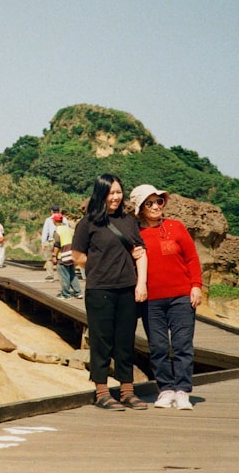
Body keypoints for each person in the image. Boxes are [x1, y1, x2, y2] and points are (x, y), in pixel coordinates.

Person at [71, 173, 148, 411]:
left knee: (125, 341)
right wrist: (100, 265)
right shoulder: (88, 223)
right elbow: (77, 256)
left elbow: (139, 250)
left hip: (126, 288)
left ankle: (127, 391)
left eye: (118, 192)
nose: (115, 197)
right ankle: (102, 391)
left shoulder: (128, 222)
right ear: (100, 194)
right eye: (110, 193)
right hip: (100, 289)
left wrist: (140, 283)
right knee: (101, 341)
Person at [131, 184, 203, 411]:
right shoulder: (134, 232)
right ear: (140, 208)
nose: (155, 207)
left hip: (181, 297)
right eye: (149, 203)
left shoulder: (177, 227)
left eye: (159, 201)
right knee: (159, 347)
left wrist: (196, 286)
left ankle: (182, 391)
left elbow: (192, 259)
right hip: (151, 300)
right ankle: (165, 390)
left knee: (182, 346)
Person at [52, 212, 82, 299]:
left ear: (54, 221)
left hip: (63, 256)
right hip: (71, 255)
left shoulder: (57, 231)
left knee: (64, 275)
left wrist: (54, 256)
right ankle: (78, 292)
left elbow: (57, 244)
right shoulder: (68, 229)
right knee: (72, 274)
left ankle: (65, 294)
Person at [40, 205, 66, 281]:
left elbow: (45, 232)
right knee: (61, 258)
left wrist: (43, 243)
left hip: (51, 241)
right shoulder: (64, 219)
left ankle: (50, 275)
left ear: (51, 211)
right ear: (59, 210)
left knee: (49, 259)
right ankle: (62, 275)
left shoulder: (48, 220)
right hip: (62, 241)